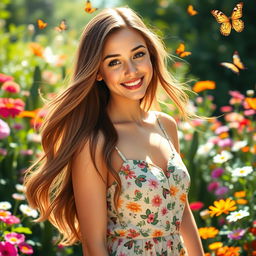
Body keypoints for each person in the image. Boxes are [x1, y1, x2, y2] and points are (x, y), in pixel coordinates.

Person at [23, 6, 211, 256]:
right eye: (114, 62)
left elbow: (182, 212)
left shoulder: (166, 125)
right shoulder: (95, 143)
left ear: (151, 56)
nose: (131, 71)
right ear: (98, 72)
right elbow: (94, 245)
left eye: (138, 55)